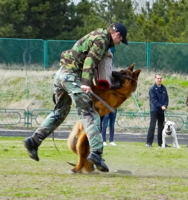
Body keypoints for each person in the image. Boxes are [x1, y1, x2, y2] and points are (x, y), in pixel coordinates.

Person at [23, 22, 128, 173]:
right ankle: (97, 154)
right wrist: (86, 83)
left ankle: (33, 141)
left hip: (61, 74)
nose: (119, 43)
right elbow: (90, 60)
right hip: (72, 77)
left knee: (60, 112)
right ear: (117, 35)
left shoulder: (96, 33)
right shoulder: (103, 40)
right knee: (90, 113)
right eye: (121, 40)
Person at [146, 74, 169, 147]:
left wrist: (165, 105)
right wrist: (160, 106)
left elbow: (166, 98)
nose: (159, 80)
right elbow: (153, 100)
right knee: (152, 126)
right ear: (155, 79)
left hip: (161, 111)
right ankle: (149, 143)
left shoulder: (164, 88)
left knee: (161, 128)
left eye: (160, 78)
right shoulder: (152, 88)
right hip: (154, 110)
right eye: (158, 78)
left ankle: (161, 143)